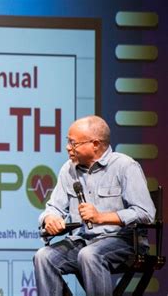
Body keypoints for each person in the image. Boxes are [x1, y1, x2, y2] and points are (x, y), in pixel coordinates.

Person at [33, 115, 156, 296]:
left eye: (74, 143)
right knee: (43, 257)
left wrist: (101, 217)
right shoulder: (68, 170)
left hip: (124, 240)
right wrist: (50, 218)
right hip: (83, 240)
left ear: (95, 144)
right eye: (68, 142)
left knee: (89, 255)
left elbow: (146, 213)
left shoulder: (125, 166)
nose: (68, 147)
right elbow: (54, 207)